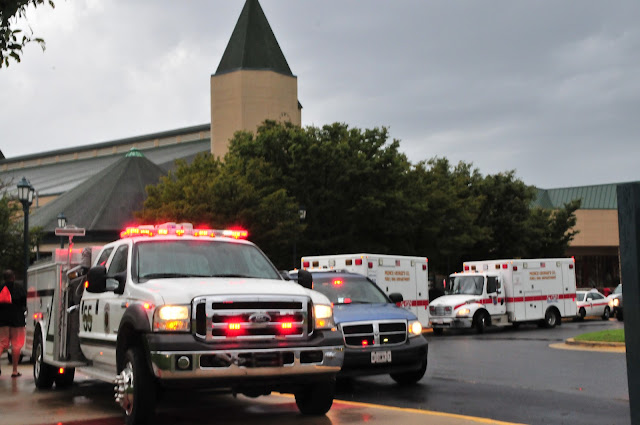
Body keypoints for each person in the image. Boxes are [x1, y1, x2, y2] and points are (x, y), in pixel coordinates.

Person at [0, 269, 27, 378]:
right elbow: (24, 303)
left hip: (2, 321)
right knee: (16, 346)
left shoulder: (1, 288)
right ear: (13, 277)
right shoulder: (19, 288)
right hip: (17, 321)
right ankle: (15, 371)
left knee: (1, 344)